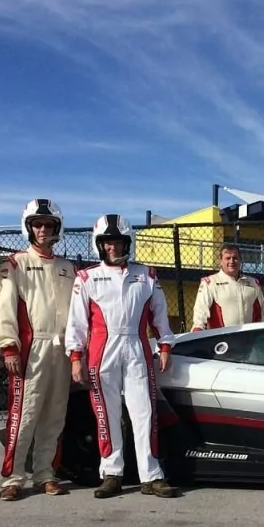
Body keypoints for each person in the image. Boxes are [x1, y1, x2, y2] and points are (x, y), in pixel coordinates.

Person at [64, 213, 179, 499]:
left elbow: (160, 315)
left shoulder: (147, 275)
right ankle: (111, 474)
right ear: (99, 245)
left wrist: (165, 346)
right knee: (106, 415)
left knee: (144, 413)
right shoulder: (87, 277)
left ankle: (151, 476)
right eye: (106, 243)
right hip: (101, 353)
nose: (112, 248)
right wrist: (75, 356)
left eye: (117, 242)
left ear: (128, 243)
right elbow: (76, 321)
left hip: (138, 349)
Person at [0, 199, 77, 501]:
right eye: (38, 225)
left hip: (62, 349)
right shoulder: (14, 264)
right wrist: (8, 346)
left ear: (57, 228)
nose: (43, 230)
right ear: (29, 228)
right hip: (31, 350)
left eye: (49, 225)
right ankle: (12, 478)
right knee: (24, 415)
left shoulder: (68, 268)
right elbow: (3, 308)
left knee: (55, 416)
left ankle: (45, 474)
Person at [190, 244, 264, 331]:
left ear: (240, 261)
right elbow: (200, 312)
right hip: (222, 340)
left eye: (235, 258)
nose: (232, 261)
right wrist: (198, 329)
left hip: (250, 339)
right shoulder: (210, 283)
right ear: (221, 261)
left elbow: (262, 312)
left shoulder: (253, 283)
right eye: (228, 258)